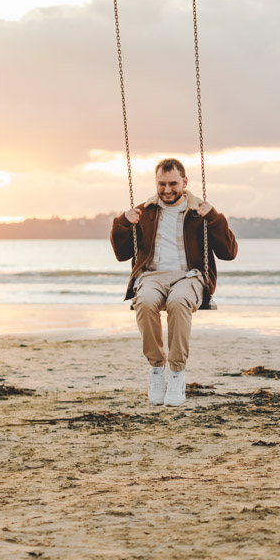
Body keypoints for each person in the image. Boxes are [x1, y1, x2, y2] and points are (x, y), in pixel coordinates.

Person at [110, 158, 237, 407]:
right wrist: (123, 223)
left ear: (184, 182)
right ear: (156, 183)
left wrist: (214, 217)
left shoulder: (199, 211)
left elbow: (229, 252)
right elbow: (122, 254)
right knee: (144, 303)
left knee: (179, 302)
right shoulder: (144, 212)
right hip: (151, 275)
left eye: (173, 184)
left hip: (189, 275)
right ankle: (157, 369)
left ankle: (177, 372)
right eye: (161, 184)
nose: (167, 190)